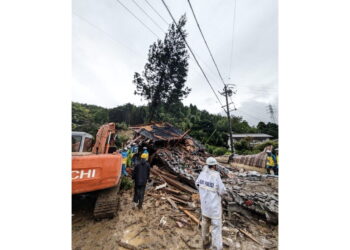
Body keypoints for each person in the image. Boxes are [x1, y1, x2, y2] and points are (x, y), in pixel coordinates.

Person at [195, 157, 226, 250]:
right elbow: (222, 191)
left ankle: (205, 242)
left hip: (205, 206)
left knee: (205, 224)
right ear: (214, 166)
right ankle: (217, 247)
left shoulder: (202, 174)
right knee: (216, 227)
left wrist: (203, 192)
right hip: (214, 208)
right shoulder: (216, 176)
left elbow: (197, 184)